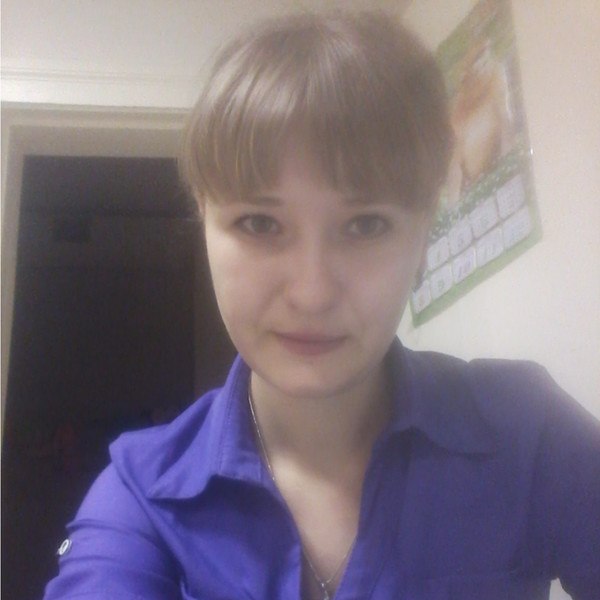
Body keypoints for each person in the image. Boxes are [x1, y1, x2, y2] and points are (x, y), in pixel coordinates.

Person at [43, 11, 599, 600]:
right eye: (260, 223)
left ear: (423, 235)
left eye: (366, 224)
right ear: (203, 219)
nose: (312, 293)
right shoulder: (141, 496)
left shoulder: (528, 434)